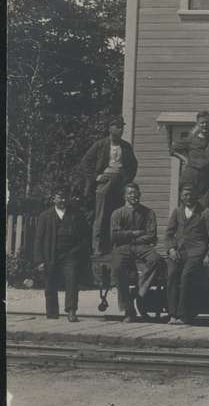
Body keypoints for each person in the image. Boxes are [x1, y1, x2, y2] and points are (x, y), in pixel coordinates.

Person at [81, 115, 138, 256]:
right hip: (105, 181)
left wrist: (127, 180)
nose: (120, 129)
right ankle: (97, 247)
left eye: (122, 127)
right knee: (101, 215)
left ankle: (116, 246)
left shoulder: (126, 146)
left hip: (120, 182)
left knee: (118, 214)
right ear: (110, 128)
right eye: (117, 126)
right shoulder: (101, 144)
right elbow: (85, 162)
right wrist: (96, 177)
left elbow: (133, 165)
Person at [110, 183, 166, 322]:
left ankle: (140, 288)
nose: (133, 196)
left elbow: (151, 235)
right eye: (130, 193)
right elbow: (115, 236)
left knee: (156, 259)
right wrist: (134, 233)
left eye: (135, 193)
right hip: (123, 247)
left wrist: (131, 237)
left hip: (141, 246)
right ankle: (128, 310)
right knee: (117, 268)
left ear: (140, 194)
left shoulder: (148, 212)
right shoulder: (118, 213)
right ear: (124, 196)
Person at [33, 186, 90, 322]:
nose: (63, 200)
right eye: (60, 197)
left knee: (72, 281)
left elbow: (85, 236)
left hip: (70, 254)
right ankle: (52, 314)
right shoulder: (45, 216)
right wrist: (39, 261)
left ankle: (71, 311)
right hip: (50, 254)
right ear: (54, 199)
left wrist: (78, 251)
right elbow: (38, 240)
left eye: (65, 197)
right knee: (50, 283)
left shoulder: (76, 215)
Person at [165, 183, 209, 324]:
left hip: (196, 252)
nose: (188, 198)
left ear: (196, 196)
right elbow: (169, 234)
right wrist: (171, 249)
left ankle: (183, 315)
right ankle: (172, 314)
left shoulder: (205, 212)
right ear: (181, 197)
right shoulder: (177, 212)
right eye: (185, 195)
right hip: (179, 252)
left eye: (191, 194)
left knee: (186, 276)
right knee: (171, 275)